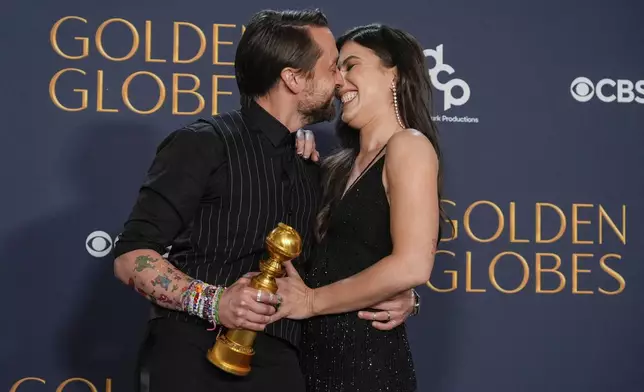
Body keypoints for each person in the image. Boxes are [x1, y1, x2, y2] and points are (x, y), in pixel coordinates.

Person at [112, 10, 418, 392]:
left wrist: (399, 294)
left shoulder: (314, 169)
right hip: (191, 356)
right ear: (292, 78)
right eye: (331, 67)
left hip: (286, 368)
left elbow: (343, 258)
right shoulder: (205, 143)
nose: (340, 80)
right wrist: (215, 302)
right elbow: (131, 258)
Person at [271, 24, 447, 392]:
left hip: (366, 366)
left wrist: (313, 301)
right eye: (337, 69)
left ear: (394, 74)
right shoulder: (335, 167)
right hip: (309, 359)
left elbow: (413, 264)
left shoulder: (408, 146)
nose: (339, 80)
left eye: (351, 66)